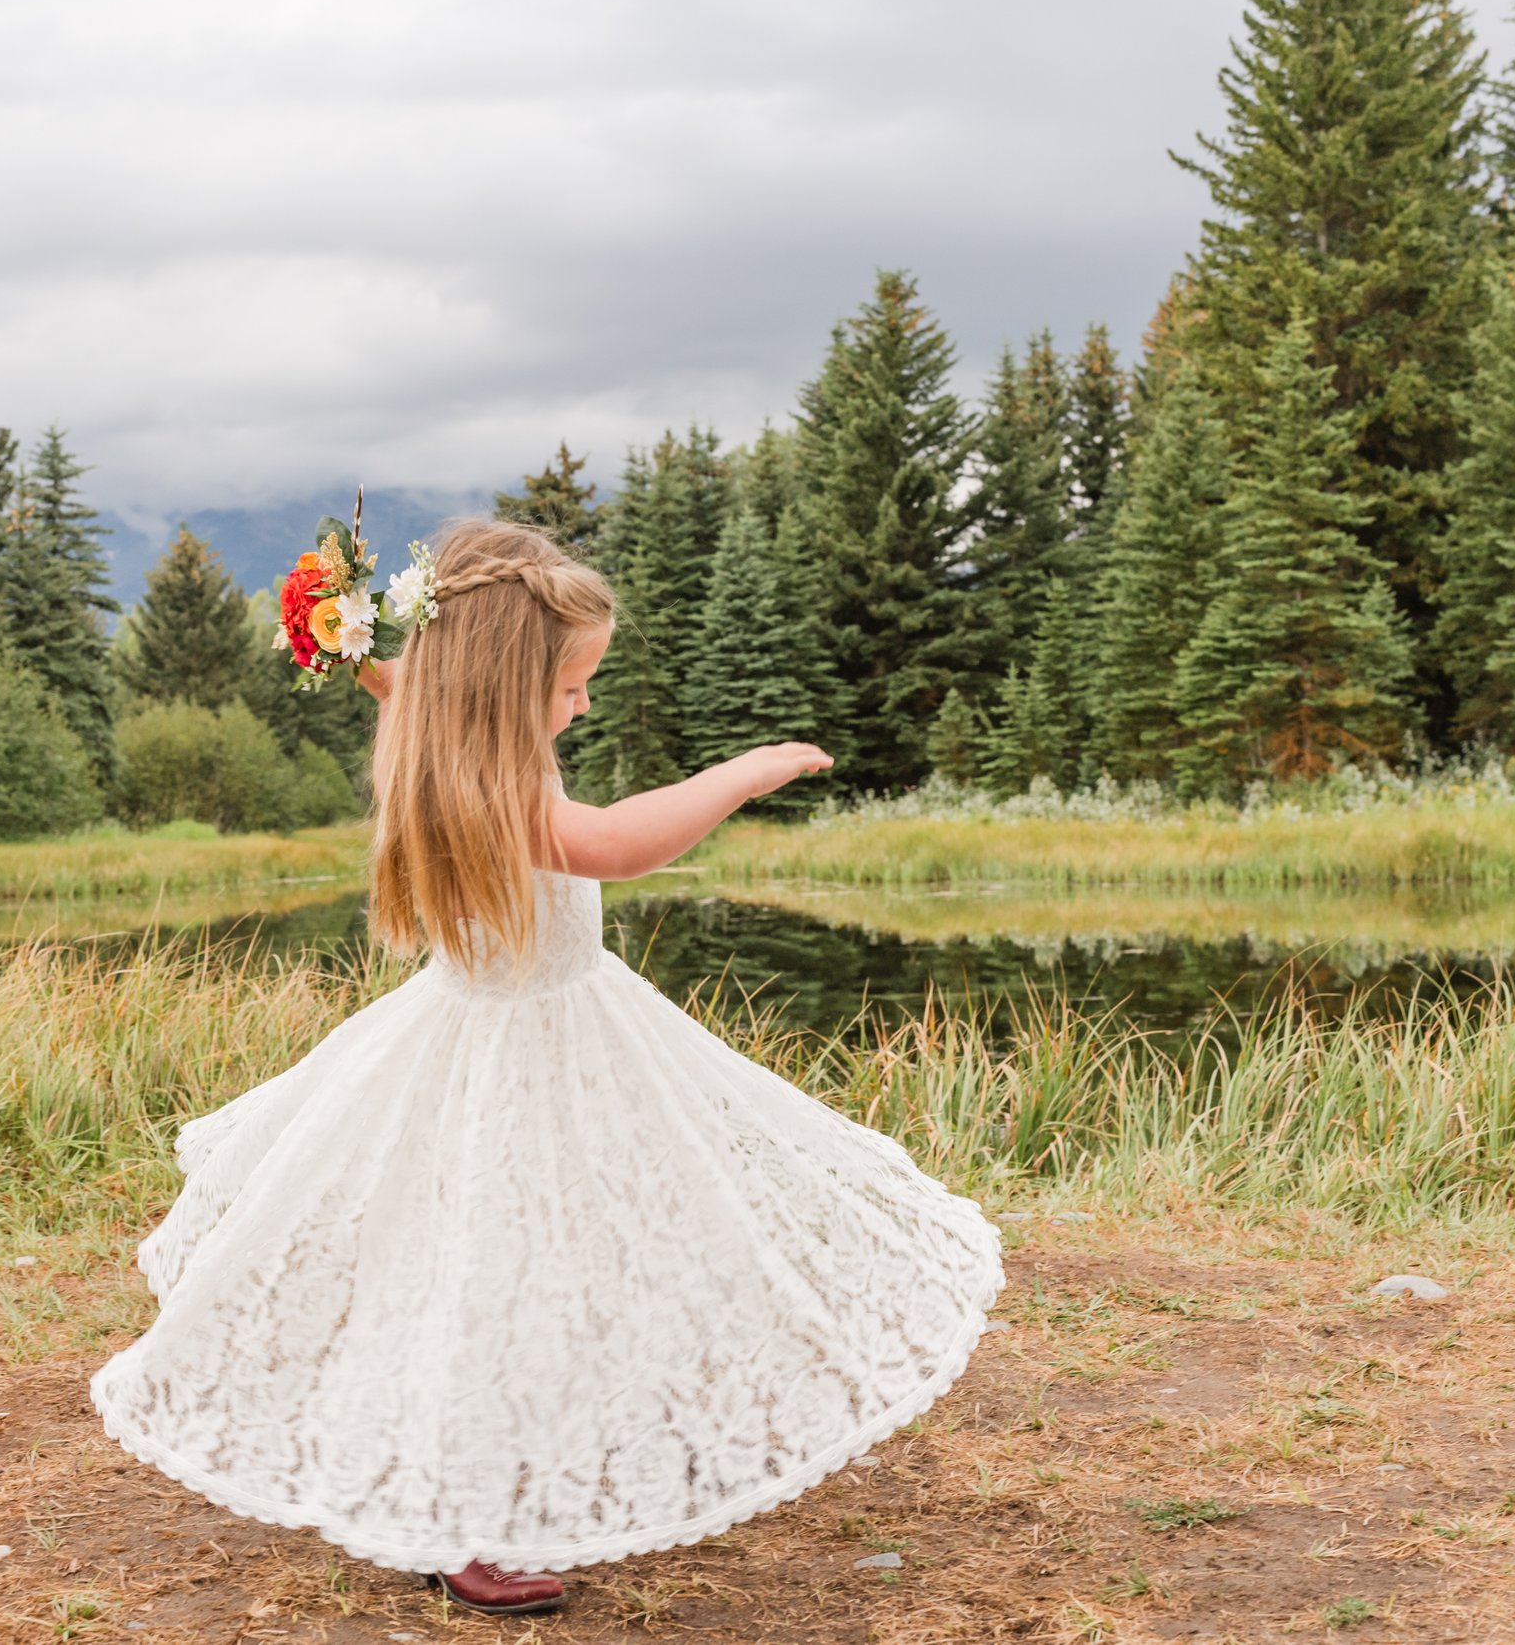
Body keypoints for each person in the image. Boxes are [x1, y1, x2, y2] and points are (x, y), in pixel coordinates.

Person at [91, 519, 1004, 1615]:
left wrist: (345, 638)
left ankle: (574, 1430)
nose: (582, 705)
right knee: (488, 1273)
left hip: (561, 1034)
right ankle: (461, 1516)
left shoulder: (443, 730)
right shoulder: (487, 787)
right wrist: (745, 771)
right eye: (569, 687)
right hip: (510, 1061)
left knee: (580, 1246)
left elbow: (404, 680)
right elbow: (615, 841)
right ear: (496, 689)